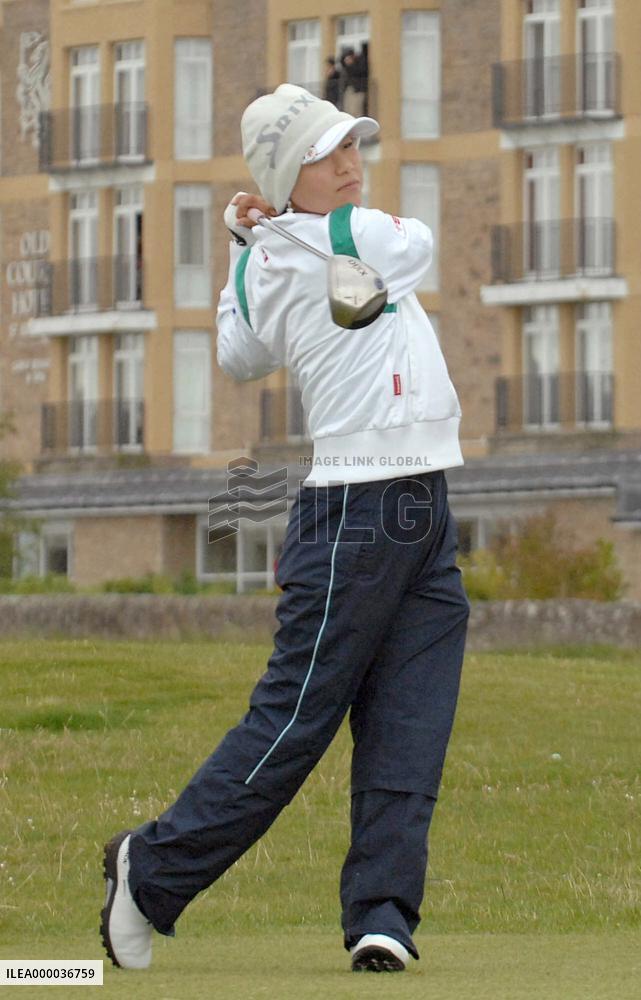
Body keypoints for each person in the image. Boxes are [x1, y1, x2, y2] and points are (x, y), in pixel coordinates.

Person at [100, 84, 470, 975]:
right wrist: (281, 236)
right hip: (355, 513)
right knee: (293, 721)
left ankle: (382, 914)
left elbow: (238, 350)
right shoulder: (354, 235)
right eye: (324, 154)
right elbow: (417, 243)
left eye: (351, 147)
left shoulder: (275, 255)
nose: (349, 164)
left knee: (411, 721)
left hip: (421, 504)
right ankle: (150, 869)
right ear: (282, 176)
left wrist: (252, 241)